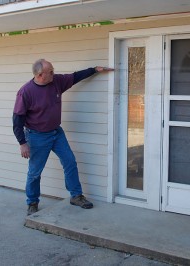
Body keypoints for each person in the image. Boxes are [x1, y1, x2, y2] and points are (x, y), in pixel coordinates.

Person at [12, 59, 114, 215]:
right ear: (40, 75)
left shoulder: (56, 81)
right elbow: (17, 120)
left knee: (70, 161)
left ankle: (76, 196)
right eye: (50, 71)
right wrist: (22, 143)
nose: (54, 73)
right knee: (35, 172)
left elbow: (75, 77)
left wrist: (94, 69)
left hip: (57, 133)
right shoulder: (26, 92)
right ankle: (32, 202)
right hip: (37, 136)